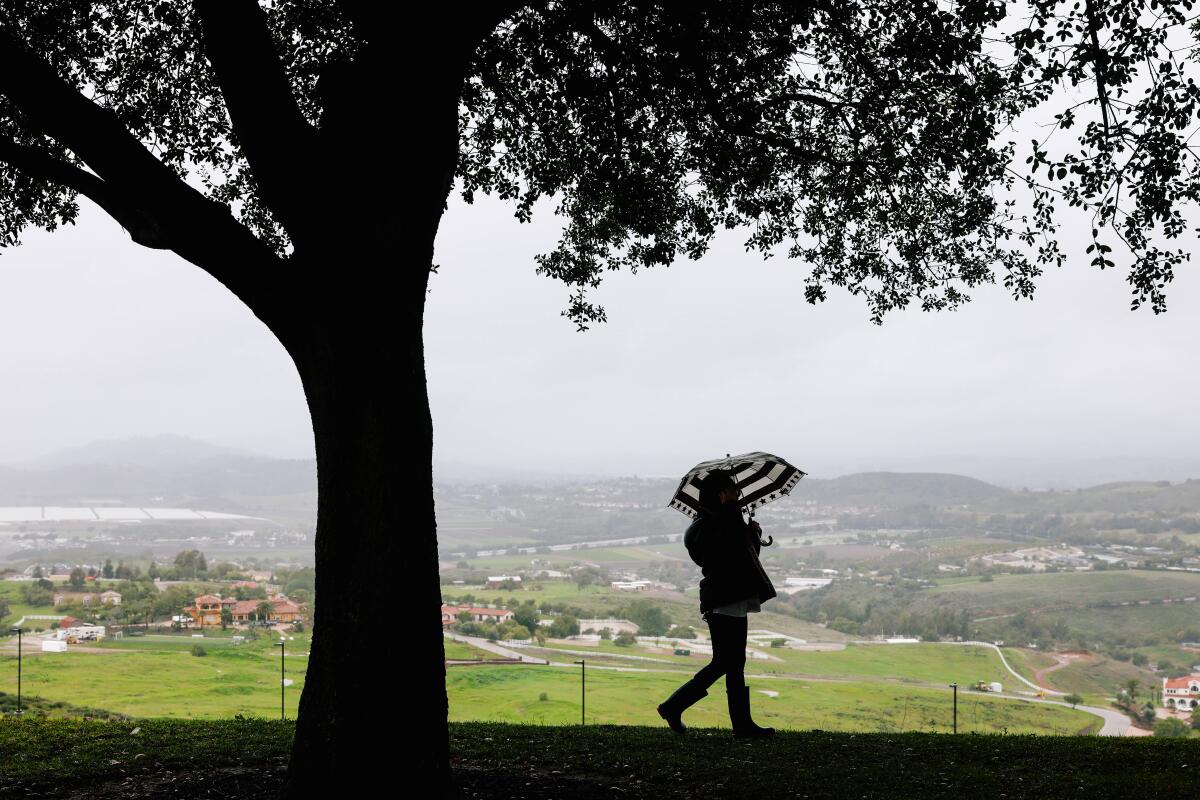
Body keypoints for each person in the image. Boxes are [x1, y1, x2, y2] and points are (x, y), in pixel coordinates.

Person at [656, 469, 777, 737]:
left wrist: (752, 536)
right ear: (719, 494)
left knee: (734, 663)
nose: (736, 494)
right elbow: (718, 556)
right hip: (722, 599)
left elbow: (742, 558)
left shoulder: (726, 520)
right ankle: (674, 706)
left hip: (732, 597)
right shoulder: (703, 526)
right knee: (725, 662)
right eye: (730, 490)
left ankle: (741, 725)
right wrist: (731, 511)